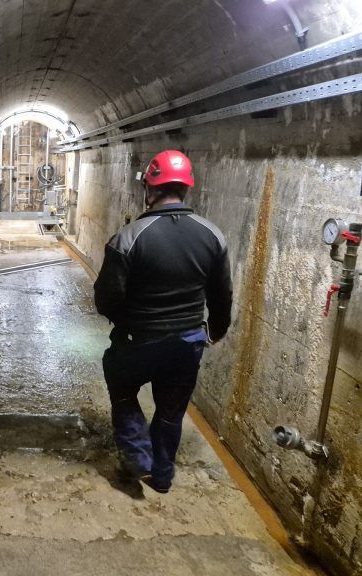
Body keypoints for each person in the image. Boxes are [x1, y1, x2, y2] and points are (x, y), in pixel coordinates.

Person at [94, 149, 232, 494]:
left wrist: (123, 322)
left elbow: (106, 298)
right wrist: (215, 330)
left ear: (149, 188)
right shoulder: (213, 235)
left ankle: (138, 458)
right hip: (187, 343)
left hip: (138, 340)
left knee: (123, 390)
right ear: (186, 188)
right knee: (171, 411)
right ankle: (162, 476)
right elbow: (221, 294)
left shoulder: (129, 237)